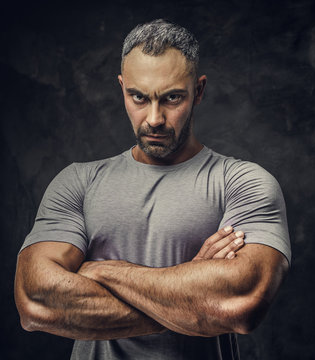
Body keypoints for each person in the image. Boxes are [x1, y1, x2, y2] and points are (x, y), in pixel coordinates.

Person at [14, 19, 291, 360]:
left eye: (172, 98)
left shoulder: (243, 183)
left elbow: (242, 303)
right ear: (122, 89)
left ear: (199, 91)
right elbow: (35, 301)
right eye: (139, 97)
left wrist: (102, 270)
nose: (155, 118)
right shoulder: (78, 182)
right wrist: (191, 297)